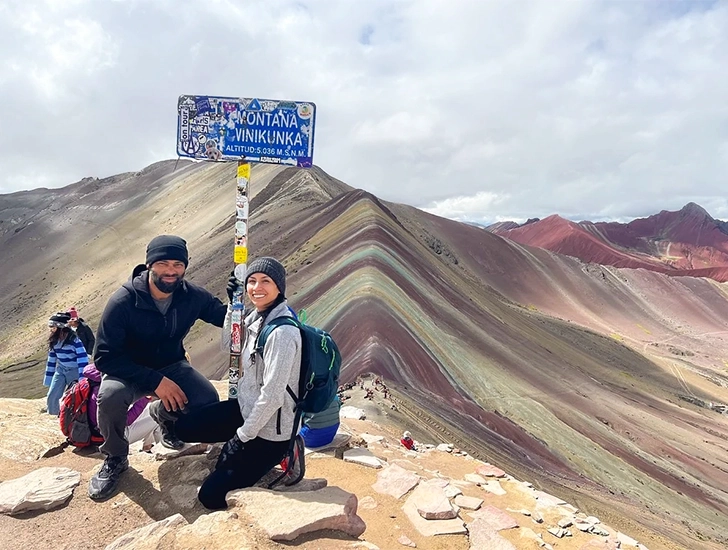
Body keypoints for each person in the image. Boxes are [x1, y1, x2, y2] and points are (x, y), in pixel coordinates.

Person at [88, 235, 229, 501]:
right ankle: (115, 457)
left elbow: (224, 318)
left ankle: (166, 417)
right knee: (110, 397)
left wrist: (239, 302)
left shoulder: (191, 296)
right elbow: (105, 357)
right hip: (126, 370)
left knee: (206, 399)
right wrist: (155, 381)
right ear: (150, 264)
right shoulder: (123, 301)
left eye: (178, 264)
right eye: (163, 263)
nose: (171, 271)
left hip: (171, 364)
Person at [174, 256, 302, 510]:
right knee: (183, 428)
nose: (257, 287)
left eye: (266, 281)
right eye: (252, 281)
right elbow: (229, 345)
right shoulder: (257, 317)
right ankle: (242, 449)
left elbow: (273, 396)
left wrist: (241, 438)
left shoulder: (283, 333)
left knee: (210, 497)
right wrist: (233, 305)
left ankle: (288, 449)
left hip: (271, 431)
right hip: (245, 409)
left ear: (280, 288)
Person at [83, 364, 161, 451]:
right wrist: (145, 398)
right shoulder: (109, 392)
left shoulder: (95, 380)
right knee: (158, 417)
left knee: (152, 409)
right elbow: (124, 421)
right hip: (111, 436)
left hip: (97, 428)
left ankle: (147, 447)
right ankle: (163, 453)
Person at [44, 312, 89, 415]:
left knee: (76, 396)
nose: (51, 330)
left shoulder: (75, 341)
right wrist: (49, 379)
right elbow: (51, 360)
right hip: (61, 370)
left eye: (53, 327)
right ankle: (53, 414)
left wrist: (82, 379)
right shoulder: (54, 342)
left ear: (61, 327)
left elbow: (83, 360)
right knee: (52, 394)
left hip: (75, 371)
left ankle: (75, 417)